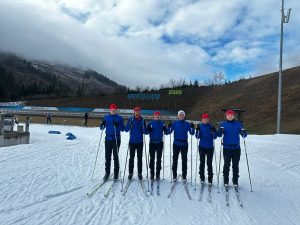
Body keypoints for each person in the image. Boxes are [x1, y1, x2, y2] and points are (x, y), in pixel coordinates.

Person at [217, 109, 247, 187]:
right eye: (228, 115)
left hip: (236, 149)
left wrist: (243, 131)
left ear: (234, 116)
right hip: (226, 148)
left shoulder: (238, 124)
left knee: (235, 165)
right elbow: (219, 135)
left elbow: (244, 135)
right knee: (226, 165)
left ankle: (235, 181)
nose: (230, 116)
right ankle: (226, 181)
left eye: (231, 115)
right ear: (226, 116)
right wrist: (220, 130)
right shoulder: (223, 124)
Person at [168, 110, 195, 183]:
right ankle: (174, 174)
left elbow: (192, 133)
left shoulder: (187, 124)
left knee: (184, 160)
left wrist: (193, 127)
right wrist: (169, 126)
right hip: (176, 143)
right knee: (175, 159)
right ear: (178, 116)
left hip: (184, 144)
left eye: (182, 115)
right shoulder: (175, 123)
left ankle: (184, 175)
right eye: (180, 114)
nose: (181, 116)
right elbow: (169, 132)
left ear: (184, 116)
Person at [100, 104, 125, 181]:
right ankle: (107, 173)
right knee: (107, 156)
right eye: (112, 109)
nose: (113, 111)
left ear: (116, 110)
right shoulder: (106, 117)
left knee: (116, 157)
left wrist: (117, 125)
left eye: (115, 109)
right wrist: (102, 124)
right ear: (110, 110)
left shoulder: (120, 118)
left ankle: (116, 173)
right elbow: (101, 128)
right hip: (108, 139)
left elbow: (123, 129)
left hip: (116, 139)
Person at [145, 111, 168, 181]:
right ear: (154, 116)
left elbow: (166, 133)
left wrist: (165, 129)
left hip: (159, 143)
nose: (157, 116)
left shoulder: (162, 123)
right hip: (152, 143)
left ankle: (158, 174)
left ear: (159, 116)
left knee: (159, 159)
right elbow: (146, 132)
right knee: (152, 158)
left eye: (158, 115)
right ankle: (152, 173)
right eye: (156, 115)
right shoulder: (150, 123)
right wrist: (148, 128)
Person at [124, 106, 146, 180]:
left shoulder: (142, 120)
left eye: (138, 111)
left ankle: (139, 173)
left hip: (140, 142)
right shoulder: (131, 119)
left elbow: (144, 132)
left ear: (140, 112)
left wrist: (144, 126)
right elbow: (126, 130)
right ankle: (130, 172)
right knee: (131, 158)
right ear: (134, 112)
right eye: (136, 111)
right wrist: (129, 125)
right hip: (132, 142)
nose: (137, 112)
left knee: (139, 158)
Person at [195, 113, 217, 185]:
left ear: (208, 119)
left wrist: (214, 130)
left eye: (206, 119)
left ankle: (210, 179)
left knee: (209, 163)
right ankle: (202, 177)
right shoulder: (200, 126)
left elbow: (214, 137)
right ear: (202, 119)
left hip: (210, 147)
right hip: (202, 147)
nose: (205, 120)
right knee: (202, 163)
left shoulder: (211, 126)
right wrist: (197, 130)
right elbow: (197, 137)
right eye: (204, 119)